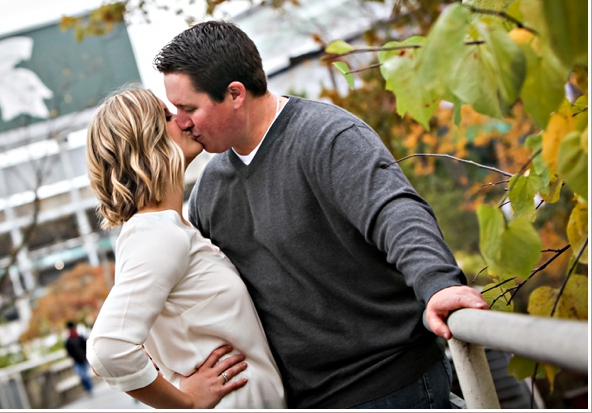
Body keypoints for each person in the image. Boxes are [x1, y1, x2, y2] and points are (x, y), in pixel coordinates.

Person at [153, 20, 490, 409]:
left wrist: (439, 283)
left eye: (188, 108)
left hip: (390, 386)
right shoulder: (209, 192)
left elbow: (394, 211)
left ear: (234, 94)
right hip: (303, 400)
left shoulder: (327, 137)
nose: (180, 122)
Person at [84, 85, 286, 409]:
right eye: (167, 116)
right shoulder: (157, 234)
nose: (183, 119)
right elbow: (108, 349)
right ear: (145, 143)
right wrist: (186, 402)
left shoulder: (173, 227)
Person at [64, 321, 93, 395]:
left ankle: (89, 389)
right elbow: (68, 352)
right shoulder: (68, 341)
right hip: (76, 361)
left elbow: (86, 347)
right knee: (81, 376)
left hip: (83, 359)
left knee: (85, 375)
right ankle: (87, 388)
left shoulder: (80, 338)